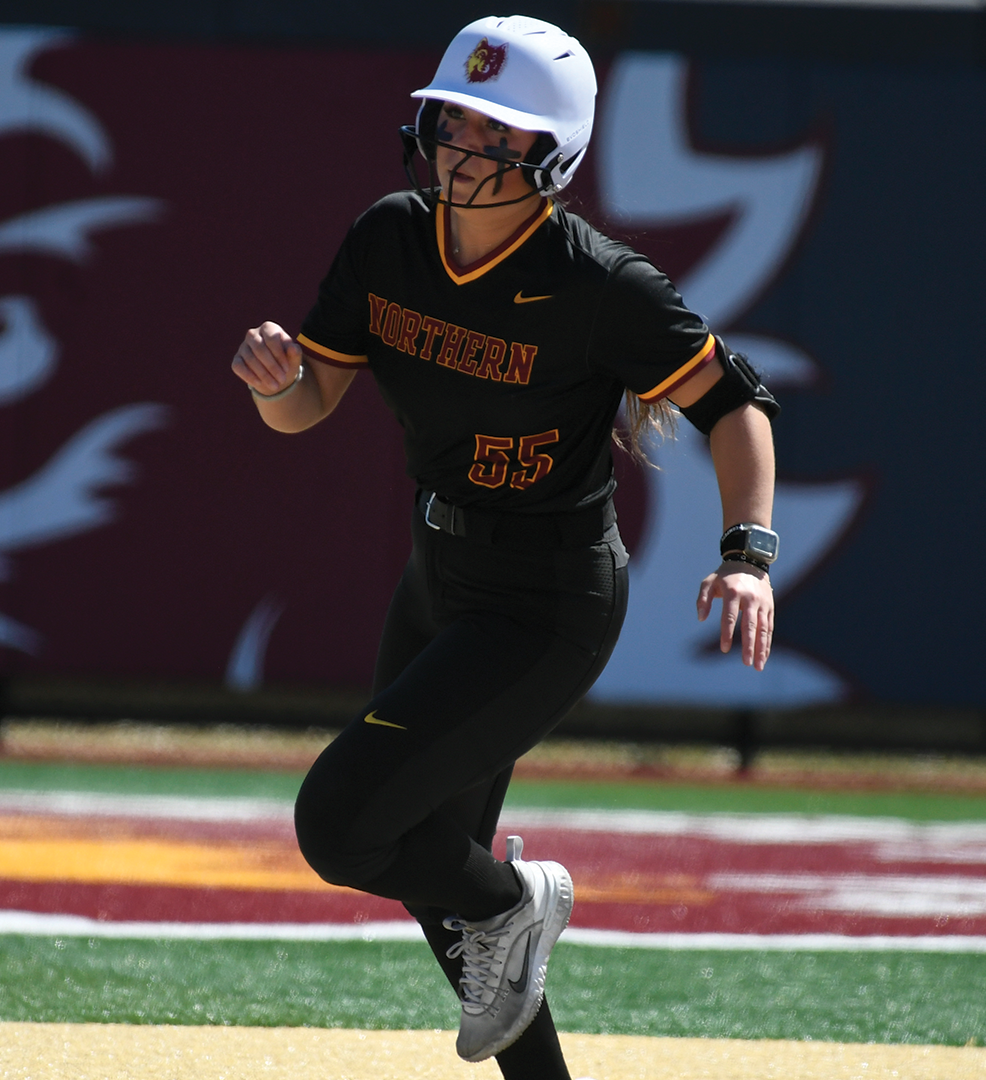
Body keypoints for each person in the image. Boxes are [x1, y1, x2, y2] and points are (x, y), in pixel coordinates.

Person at [229, 15, 781, 1080]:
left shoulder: (599, 282)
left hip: (546, 602)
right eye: (454, 123)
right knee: (445, 899)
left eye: (500, 133)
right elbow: (310, 405)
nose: (465, 149)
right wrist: (273, 389)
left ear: (556, 155)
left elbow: (736, 404)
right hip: (439, 573)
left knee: (343, 825)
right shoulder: (390, 236)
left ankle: (522, 897)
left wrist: (748, 552)